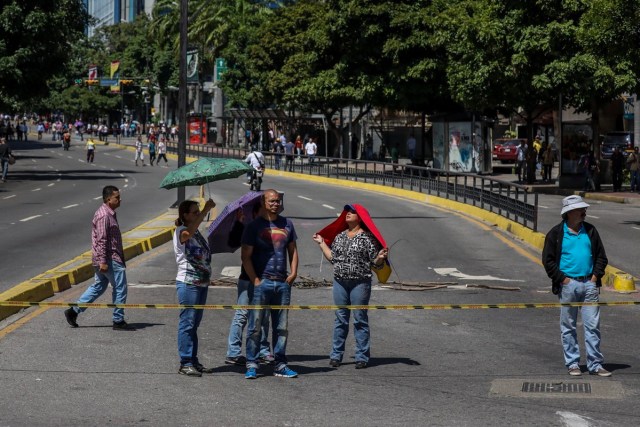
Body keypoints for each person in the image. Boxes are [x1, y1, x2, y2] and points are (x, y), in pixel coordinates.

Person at [312, 205, 388, 369]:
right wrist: (321, 244)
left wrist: (380, 258)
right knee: (340, 319)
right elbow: (333, 258)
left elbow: (375, 263)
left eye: (352, 213)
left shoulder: (367, 238)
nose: (348, 214)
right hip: (340, 282)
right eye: (347, 212)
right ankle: (336, 355)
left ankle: (362, 356)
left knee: (360, 319)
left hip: (360, 283)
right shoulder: (339, 237)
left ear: (360, 218)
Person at [542, 195, 610, 377]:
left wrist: (594, 278)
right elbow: (548, 261)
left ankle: (595, 364)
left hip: (589, 283)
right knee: (568, 326)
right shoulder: (556, 234)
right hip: (568, 286)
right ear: (570, 213)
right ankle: (573, 363)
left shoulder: (590, 231)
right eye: (581, 209)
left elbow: (602, 257)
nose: (584, 212)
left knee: (592, 326)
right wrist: (564, 280)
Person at [242, 189, 299, 379]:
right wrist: (255, 281)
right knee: (255, 326)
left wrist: (293, 273)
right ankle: (252, 363)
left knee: (281, 327)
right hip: (262, 283)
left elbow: (293, 250)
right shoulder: (254, 226)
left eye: (278, 201)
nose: (276, 203)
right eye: (272, 201)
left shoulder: (287, 224)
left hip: (282, 284)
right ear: (264, 202)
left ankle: (280, 364)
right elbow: (246, 256)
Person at [64, 186, 134, 330]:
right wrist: (103, 261)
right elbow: (102, 240)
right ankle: (118, 320)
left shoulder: (109, 213)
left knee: (99, 286)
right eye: (117, 197)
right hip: (109, 259)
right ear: (109, 199)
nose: (120, 200)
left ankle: (74, 311)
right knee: (120, 287)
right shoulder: (104, 215)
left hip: (106, 258)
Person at [225, 206, 274, 366]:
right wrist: (239, 223)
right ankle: (233, 352)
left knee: (264, 316)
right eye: (263, 210)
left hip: (266, 279)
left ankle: (262, 350)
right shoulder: (249, 229)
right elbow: (233, 242)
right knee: (242, 315)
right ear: (255, 212)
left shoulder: (274, 230)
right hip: (247, 279)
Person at [173, 198, 217, 377]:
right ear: (184, 215)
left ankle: (193, 359)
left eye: (198, 211)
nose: (198, 214)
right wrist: (206, 209)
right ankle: (185, 362)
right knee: (187, 322)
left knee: (195, 323)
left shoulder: (196, 232)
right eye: (195, 212)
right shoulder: (181, 231)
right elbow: (187, 236)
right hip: (188, 283)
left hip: (201, 283)